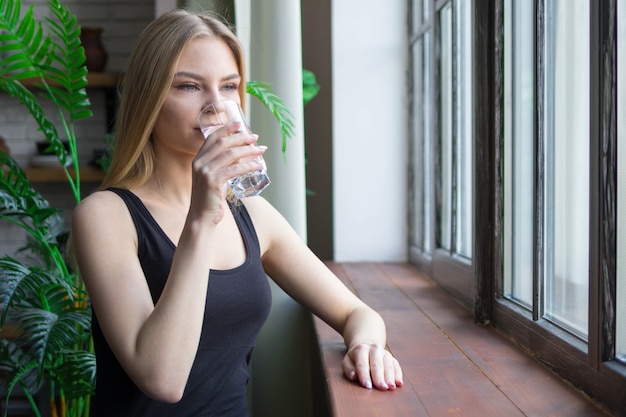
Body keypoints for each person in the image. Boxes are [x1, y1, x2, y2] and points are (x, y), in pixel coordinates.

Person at [70, 9, 403, 417]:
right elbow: (162, 379)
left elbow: (356, 312)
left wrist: (367, 347)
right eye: (189, 86)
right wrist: (200, 219)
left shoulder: (254, 216)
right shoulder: (106, 216)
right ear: (149, 97)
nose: (215, 106)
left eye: (228, 86)